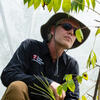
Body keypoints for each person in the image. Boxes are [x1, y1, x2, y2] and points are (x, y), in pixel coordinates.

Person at [1, 12, 90, 100]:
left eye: (76, 32)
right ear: (52, 29)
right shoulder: (30, 46)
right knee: (17, 87)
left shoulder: (71, 65)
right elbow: (8, 74)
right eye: (67, 27)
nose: (71, 32)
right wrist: (47, 83)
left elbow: (72, 97)